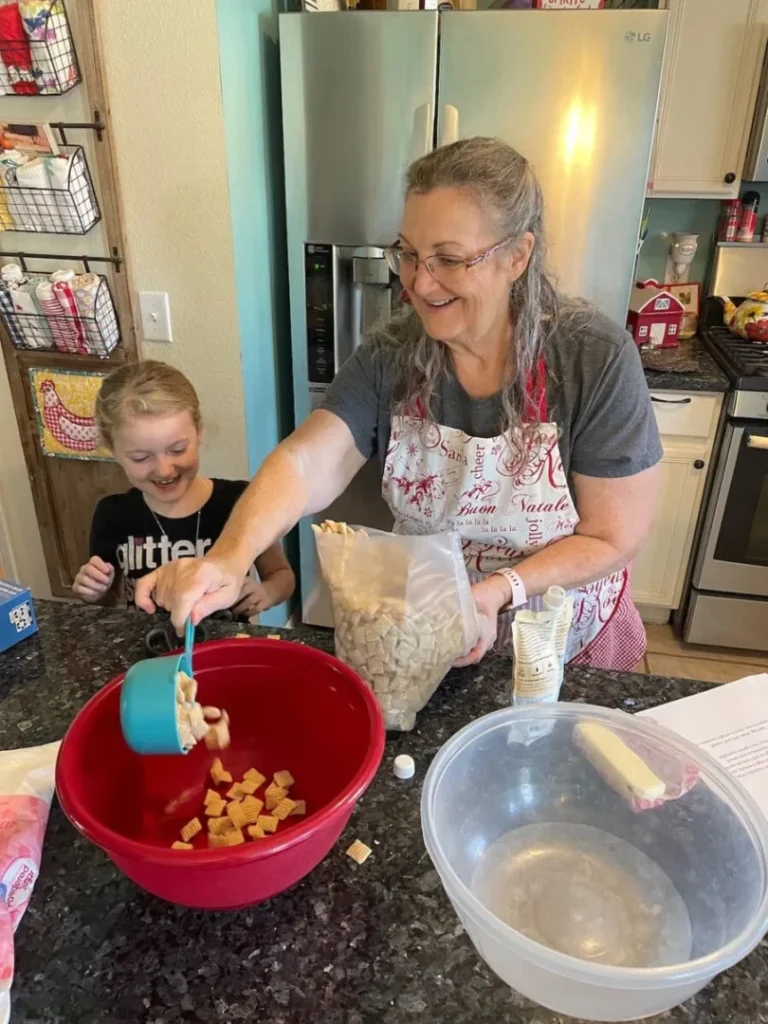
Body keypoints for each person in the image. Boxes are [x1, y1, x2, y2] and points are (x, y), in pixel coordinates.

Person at [136, 138, 661, 670]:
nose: (419, 283)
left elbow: (612, 536)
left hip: (561, 636)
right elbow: (307, 461)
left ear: (517, 256)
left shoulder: (593, 357)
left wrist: (500, 589)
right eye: (408, 253)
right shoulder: (392, 355)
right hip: (432, 627)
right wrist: (229, 558)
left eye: (449, 259)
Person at [72, 360, 295, 619]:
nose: (164, 470)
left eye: (177, 450)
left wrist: (267, 592)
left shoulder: (239, 500)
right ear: (113, 450)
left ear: (198, 432)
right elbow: (108, 601)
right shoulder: (112, 514)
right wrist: (94, 592)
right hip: (149, 642)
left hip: (228, 642)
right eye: (141, 458)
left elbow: (281, 575)